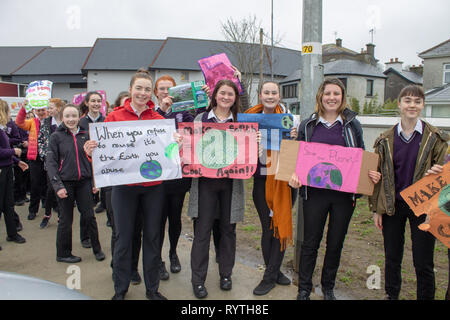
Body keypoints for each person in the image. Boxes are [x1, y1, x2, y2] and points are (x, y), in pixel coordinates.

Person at [289, 78, 381, 300]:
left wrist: (371, 174)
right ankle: (304, 287)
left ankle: (328, 286)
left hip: (343, 197)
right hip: (314, 195)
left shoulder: (352, 125)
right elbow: (297, 157)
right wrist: (293, 174)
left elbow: (361, 155)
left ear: (342, 97)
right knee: (310, 242)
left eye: (336, 94)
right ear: (321, 96)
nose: (331, 98)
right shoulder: (308, 125)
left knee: (335, 243)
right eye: (327, 93)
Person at [84, 68, 168, 300]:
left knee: (152, 237)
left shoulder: (159, 120)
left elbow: (169, 154)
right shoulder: (113, 117)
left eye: (147, 89)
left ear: (152, 93)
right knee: (123, 238)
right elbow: (103, 154)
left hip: (153, 188)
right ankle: (120, 288)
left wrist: (175, 145)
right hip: (124, 189)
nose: (142, 93)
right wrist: (91, 151)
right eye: (138, 88)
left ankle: (152, 289)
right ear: (130, 90)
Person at [369, 85, 448, 300]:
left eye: (417, 101)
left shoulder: (436, 138)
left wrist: (438, 170)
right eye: (408, 101)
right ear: (400, 104)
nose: (412, 105)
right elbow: (378, 177)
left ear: (423, 105)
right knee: (392, 257)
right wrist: (377, 209)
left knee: (423, 261)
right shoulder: (385, 139)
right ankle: (391, 295)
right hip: (393, 206)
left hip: (424, 208)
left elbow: (445, 175)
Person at [187, 79, 260, 299]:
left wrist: (256, 143)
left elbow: (251, 157)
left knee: (228, 231)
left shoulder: (241, 122)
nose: (226, 97)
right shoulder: (201, 119)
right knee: (202, 232)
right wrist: (184, 142)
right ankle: (197, 280)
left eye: (230, 94)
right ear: (215, 95)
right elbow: (191, 152)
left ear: (235, 98)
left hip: (231, 185)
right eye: (222, 93)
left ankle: (225, 274)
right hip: (205, 185)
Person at [245, 81, 298, 295]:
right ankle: (272, 274)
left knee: (280, 227)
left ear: (279, 95)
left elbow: (298, 152)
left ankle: (271, 274)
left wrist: (295, 137)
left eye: (273, 92)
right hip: (261, 181)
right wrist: (251, 141)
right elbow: (241, 153)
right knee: (268, 229)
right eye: (266, 92)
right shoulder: (249, 118)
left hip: (284, 181)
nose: (269, 96)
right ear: (260, 95)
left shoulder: (289, 120)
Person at [46, 104, 105, 264]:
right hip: (65, 184)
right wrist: (57, 186)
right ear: (62, 118)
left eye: (74, 116)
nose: (71, 119)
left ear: (79, 117)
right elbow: (50, 163)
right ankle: (63, 253)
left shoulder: (86, 135)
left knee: (89, 216)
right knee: (66, 220)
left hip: (84, 182)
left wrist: (94, 181)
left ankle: (97, 248)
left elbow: (94, 161)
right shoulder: (56, 137)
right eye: (67, 116)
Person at [153, 75, 194, 280]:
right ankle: (158, 260)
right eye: (162, 89)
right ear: (156, 92)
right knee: (158, 219)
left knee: (175, 218)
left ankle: (173, 253)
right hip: (158, 176)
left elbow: (191, 135)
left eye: (170, 89)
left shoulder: (185, 113)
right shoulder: (152, 114)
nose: (166, 92)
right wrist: (163, 110)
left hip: (178, 175)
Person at [78, 92, 106, 247]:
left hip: (103, 166)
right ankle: (85, 236)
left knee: (104, 199)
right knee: (86, 205)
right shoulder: (80, 122)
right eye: (93, 101)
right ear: (87, 103)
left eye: (98, 101)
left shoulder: (106, 120)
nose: (96, 103)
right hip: (86, 167)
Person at [0, 99, 28, 249]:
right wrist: (13, 152)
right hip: (1, 171)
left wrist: (16, 161)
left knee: (9, 204)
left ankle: (12, 233)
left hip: (7, 169)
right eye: (8, 111)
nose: (10, 114)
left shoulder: (2, 129)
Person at [15, 103, 49, 221]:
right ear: (35, 111)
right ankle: (33, 210)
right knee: (35, 184)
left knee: (48, 183)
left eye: (43, 110)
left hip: (48, 158)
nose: (41, 112)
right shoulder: (32, 122)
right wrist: (24, 108)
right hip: (35, 158)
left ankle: (48, 203)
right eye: (38, 110)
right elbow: (19, 122)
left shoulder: (51, 122)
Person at [37, 98, 64, 229]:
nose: (48, 110)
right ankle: (47, 214)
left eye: (51, 107)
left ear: (58, 108)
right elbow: (40, 141)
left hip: (65, 163)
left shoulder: (66, 122)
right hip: (51, 162)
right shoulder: (46, 123)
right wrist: (45, 156)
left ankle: (61, 215)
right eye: (48, 107)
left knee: (63, 189)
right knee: (50, 190)